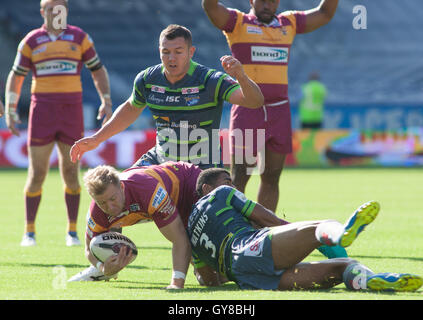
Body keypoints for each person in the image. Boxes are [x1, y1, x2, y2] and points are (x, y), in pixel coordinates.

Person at [187, 168, 423, 292]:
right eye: (227, 181)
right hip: (252, 246)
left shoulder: (190, 231)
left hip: (247, 277)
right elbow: (274, 222)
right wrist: (304, 238)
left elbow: (208, 280)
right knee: (319, 227)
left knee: (342, 269)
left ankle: (369, 281)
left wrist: (230, 268)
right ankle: (342, 234)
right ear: (208, 187)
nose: (233, 186)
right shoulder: (222, 194)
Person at [202, 0, 339, 213]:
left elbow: (324, 13)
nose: (268, 5)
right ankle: (232, 231)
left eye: (273, 1)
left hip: (280, 111)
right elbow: (210, 7)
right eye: (262, 0)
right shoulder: (237, 22)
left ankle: (263, 233)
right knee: (238, 178)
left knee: (272, 177)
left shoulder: (289, 23)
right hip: (248, 110)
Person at [70, 24, 264, 169]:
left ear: (191, 52)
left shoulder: (211, 79)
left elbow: (255, 101)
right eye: (166, 52)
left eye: (178, 52)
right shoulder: (147, 79)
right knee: (119, 196)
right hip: (161, 160)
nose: (171, 58)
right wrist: (96, 138)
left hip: (203, 167)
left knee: (206, 216)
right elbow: (130, 108)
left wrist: (241, 77)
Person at [4, 0, 113, 247]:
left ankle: (72, 232)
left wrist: (106, 99)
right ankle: (29, 232)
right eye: (52, 8)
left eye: (61, 8)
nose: (57, 12)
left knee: (71, 172)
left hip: (71, 112)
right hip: (41, 110)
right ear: (43, 11)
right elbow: (16, 75)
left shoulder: (79, 37)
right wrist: (11, 108)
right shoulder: (31, 41)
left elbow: (98, 70)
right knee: (37, 173)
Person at [68, 161, 203, 289]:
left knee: (213, 277)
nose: (109, 207)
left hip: (185, 186)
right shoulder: (96, 214)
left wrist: (176, 284)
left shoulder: (146, 190)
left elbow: (179, 238)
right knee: (207, 279)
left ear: (121, 187)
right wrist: (103, 268)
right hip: (161, 200)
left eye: (113, 199)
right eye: (102, 203)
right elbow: (88, 249)